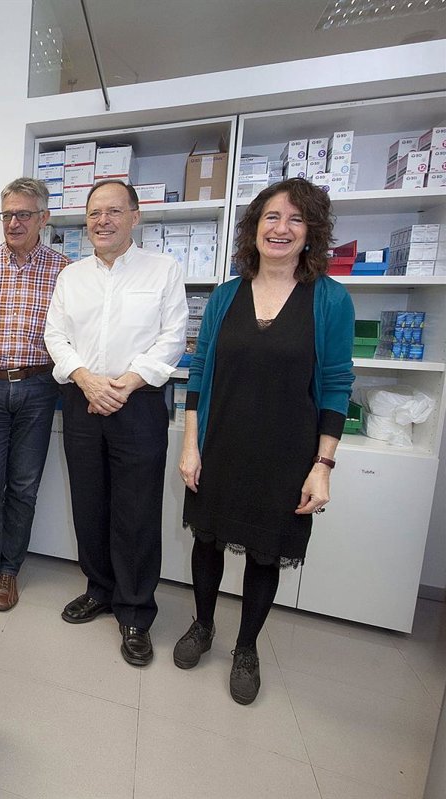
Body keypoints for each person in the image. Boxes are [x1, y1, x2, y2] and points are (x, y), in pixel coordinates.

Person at [175, 177, 354, 704]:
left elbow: (337, 386)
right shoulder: (227, 294)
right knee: (206, 540)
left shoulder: (330, 300)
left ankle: (246, 648)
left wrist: (322, 465)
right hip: (221, 443)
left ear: (311, 232)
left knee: (265, 554)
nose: (281, 228)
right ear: (254, 227)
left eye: (296, 219)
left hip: (285, 453)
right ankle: (202, 625)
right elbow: (200, 371)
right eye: (271, 217)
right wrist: (190, 444)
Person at [43, 180, 187, 667]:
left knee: (137, 510)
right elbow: (56, 336)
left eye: (113, 211)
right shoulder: (72, 276)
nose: (102, 221)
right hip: (82, 398)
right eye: (94, 213)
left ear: (134, 216)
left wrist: (124, 384)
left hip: (138, 403)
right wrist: (87, 380)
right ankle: (100, 590)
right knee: (89, 503)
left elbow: (173, 338)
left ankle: (136, 612)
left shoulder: (163, 270)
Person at [0, 177, 69, 614]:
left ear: (43, 218)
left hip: (39, 387)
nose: (13, 222)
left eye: (23, 214)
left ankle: (9, 570)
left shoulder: (65, 269)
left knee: (24, 486)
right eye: (7, 214)